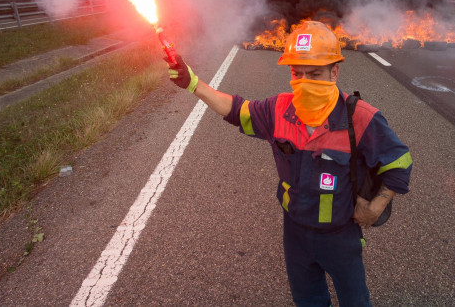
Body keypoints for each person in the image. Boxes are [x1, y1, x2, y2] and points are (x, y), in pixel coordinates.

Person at [167, 20, 412, 307]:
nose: (305, 81)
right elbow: (236, 110)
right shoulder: (278, 109)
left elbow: (399, 162)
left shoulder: (360, 117)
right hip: (295, 232)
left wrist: (377, 205)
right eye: (298, 73)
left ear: (335, 71)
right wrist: (192, 83)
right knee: (307, 300)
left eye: (315, 73)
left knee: (355, 300)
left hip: (340, 235)